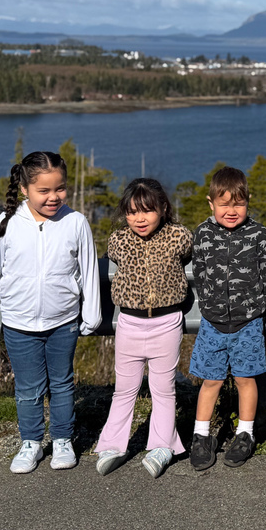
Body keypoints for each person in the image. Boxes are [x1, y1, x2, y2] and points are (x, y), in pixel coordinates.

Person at [0, 151, 100, 474]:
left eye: (60, 189)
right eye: (44, 191)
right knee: (28, 389)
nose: (54, 197)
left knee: (62, 384)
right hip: (18, 324)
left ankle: (62, 439)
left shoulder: (75, 222)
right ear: (25, 188)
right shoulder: (6, 224)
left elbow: (89, 271)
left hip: (63, 322)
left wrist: (92, 315)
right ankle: (30, 442)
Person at [94, 178, 192, 479]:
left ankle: (162, 445)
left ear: (163, 208)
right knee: (125, 389)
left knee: (163, 389)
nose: (140, 218)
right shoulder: (119, 241)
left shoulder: (178, 237)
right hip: (130, 323)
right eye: (132, 211)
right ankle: (112, 445)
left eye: (148, 211)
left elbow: (186, 256)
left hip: (166, 322)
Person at [188, 167, 266, 471]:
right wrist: (210, 305)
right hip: (212, 322)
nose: (231, 210)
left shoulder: (258, 234)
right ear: (210, 203)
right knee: (210, 380)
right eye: (224, 204)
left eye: (238, 204)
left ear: (247, 202)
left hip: (248, 323)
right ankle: (200, 437)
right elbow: (199, 273)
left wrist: (254, 308)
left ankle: (246, 434)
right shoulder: (202, 233)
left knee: (244, 379)